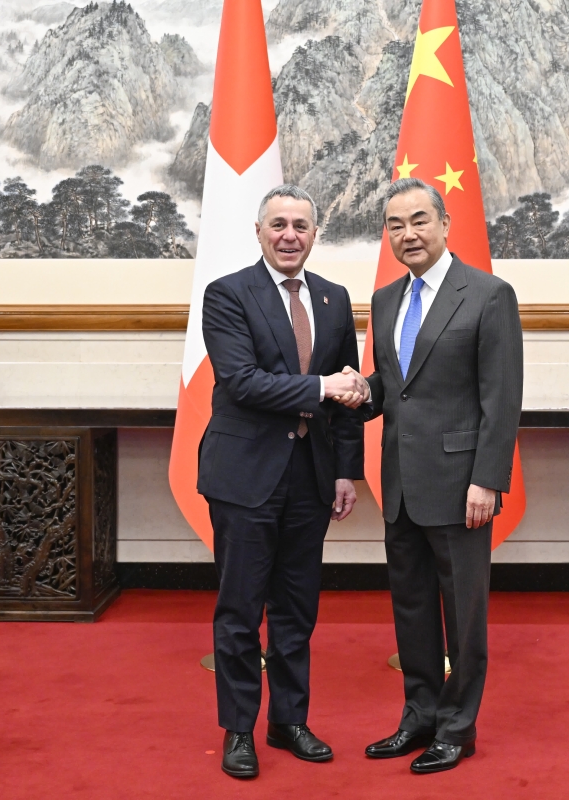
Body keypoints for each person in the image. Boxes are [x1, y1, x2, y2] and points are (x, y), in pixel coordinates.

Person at [355, 177, 524, 773]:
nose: (408, 234)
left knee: (463, 616)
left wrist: (488, 479)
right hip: (400, 483)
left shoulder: (488, 295)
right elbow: (394, 388)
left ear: (445, 224)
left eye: (419, 220)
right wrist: (359, 392)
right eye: (395, 225)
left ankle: (458, 727)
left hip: (461, 485)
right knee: (412, 608)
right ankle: (419, 716)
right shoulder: (384, 300)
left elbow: (501, 397)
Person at [198, 184, 366, 779]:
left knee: (296, 609)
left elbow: (349, 394)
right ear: (259, 232)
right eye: (278, 225)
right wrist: (322, 387)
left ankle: (289, 721)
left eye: (300, 225)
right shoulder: (227, 294)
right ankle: (239, 730)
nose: (289, 235)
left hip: (311, 477)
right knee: (240, 610)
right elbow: (241, 381)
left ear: (315, 234)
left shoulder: (334, 298)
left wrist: (346, 469)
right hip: (245, 476)